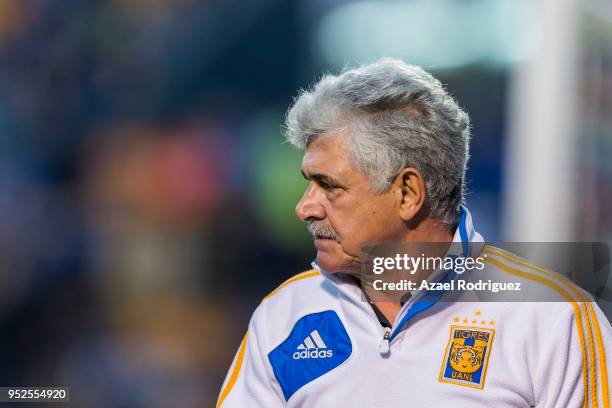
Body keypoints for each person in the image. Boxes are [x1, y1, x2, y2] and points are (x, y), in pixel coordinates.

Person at [216, 58, 612, 407]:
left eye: (329, 186)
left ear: (407, 193)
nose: (305, 207)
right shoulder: (283, 316)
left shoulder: (554, 317)